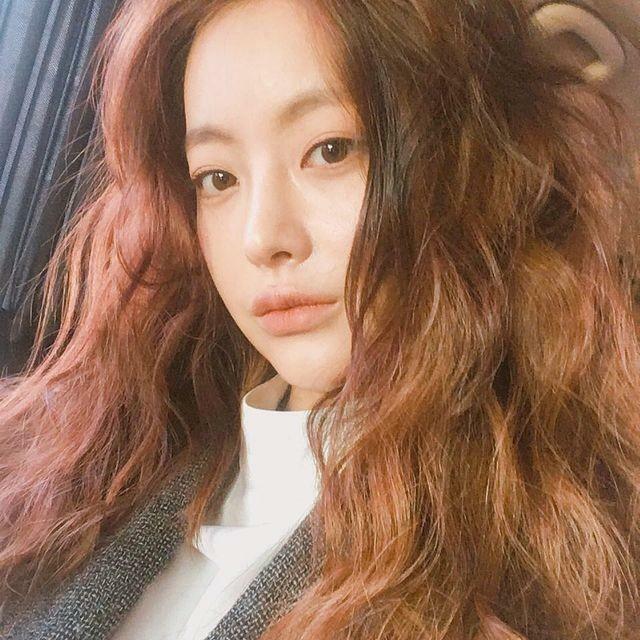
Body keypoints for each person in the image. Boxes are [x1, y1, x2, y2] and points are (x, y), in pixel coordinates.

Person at [1, 0, 639, 638]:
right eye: (217, 178)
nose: (261, 239)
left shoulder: (572, 563)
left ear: (466, 170)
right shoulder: (86, 467)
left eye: (329, 150)